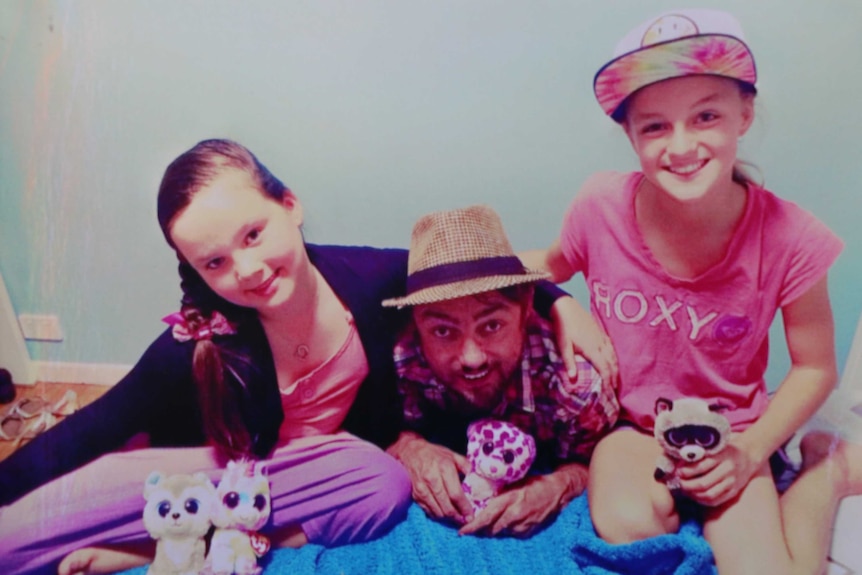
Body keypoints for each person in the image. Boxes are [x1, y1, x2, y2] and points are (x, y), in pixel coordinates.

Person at [0, 139, 587, 575]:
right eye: (215, 263)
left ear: (290, 205)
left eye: (253, 234)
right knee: (15, 543)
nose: (247, 270)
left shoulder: (370, 278)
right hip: (188, 472)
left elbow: (477, 277)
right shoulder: (196, 343)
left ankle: (167, 549)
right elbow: (91, 429)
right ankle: (174, 536)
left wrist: (564, 306)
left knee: (380, 482)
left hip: (305, 479)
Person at [522, 8, 862, 575]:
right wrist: (559, 302)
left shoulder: (792, 237)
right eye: (654, 126)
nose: (681, 147)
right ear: (630, 136)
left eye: (705, 116)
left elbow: (814, 368)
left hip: (736, 432)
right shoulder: (599, 205)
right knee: (630, 528)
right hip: (634, 428)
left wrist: (751, 452)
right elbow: (547, 263)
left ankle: (824, 469)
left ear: (744, 114)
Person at [384, 205, 619, 538]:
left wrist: (558, 486)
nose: (471, 358)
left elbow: (600, 460)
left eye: (492, 325)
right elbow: (385, 432)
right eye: (443, 331)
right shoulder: (404, 361)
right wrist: (410, 446)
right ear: (416, 324)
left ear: (525, 309)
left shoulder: (576, 385)